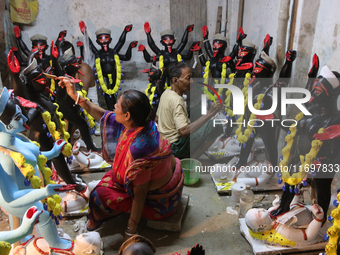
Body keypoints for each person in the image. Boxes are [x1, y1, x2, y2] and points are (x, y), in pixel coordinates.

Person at [58, 78, 184, 240]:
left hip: (158, 203)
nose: (113, 108)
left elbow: (140, 195)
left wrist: (131, 230)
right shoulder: (143, 123)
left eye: (117, 105)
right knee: (104, 180)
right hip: (166, 182)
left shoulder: (139, 150)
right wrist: (74, 95)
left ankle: (96, 223)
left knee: (97, 196)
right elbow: (101, 114)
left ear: (127, 115)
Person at [156, 62, 223, 159]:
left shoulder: (167, 92)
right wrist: (210, 114)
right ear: (176, 80)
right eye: (188, 78)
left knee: (198, 110)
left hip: (164, 141)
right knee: (216, 125)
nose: (191, 81)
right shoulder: (176, 100)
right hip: (174, 147)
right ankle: (191, 159)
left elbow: (157, 118)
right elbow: (183, 131)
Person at [245, 195, 325, 246]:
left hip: (311, 208)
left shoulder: (272, 210)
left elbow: (290, 206)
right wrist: (318, 218)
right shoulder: (283, 230)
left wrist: (295, 195)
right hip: (320, 223)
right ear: (262, 225)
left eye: (258, 208)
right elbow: (308, 236)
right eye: (259, 213)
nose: (262, 209)